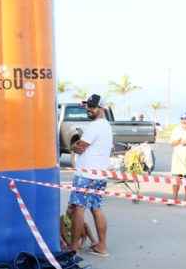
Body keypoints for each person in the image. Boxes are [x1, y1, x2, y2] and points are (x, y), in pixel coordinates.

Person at [69, 94, 111, 257]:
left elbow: (79, 147)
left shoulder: (95, 126)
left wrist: (73, 145)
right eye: (87, 106)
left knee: (78, 209)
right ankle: (101, 246)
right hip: (100, 174)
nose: (89, 109)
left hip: (86, 174)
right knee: (96, 208)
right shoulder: (106, 126)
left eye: (92, 107)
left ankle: (73, 248)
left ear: (102, 109)